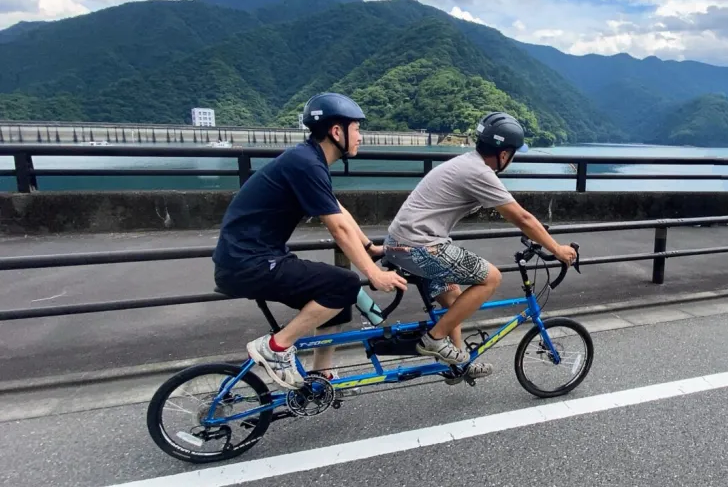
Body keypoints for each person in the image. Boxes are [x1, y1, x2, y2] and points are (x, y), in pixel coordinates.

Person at [212, 92, 408, 390]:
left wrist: (369, 248)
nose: (361, 136)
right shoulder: (306, 164)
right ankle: (276, 347)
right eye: (357, 129)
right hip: (248, 263)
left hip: (256, 258)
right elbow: (337, 228)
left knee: (338, 293)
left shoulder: (309, 159)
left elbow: (338, 211)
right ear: (337, 131)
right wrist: (373, 273)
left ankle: (321, 375)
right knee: (344, 283)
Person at [384, 111, 577, 382]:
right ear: (504, 153)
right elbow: (522, 218)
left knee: (454, 297)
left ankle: (458, 362)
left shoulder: (467, 163)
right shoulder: (478, 172)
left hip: (403, 244)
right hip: (420, 246)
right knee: (491, 277)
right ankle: (434, 339)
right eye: (513, 154)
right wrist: (557, 249)